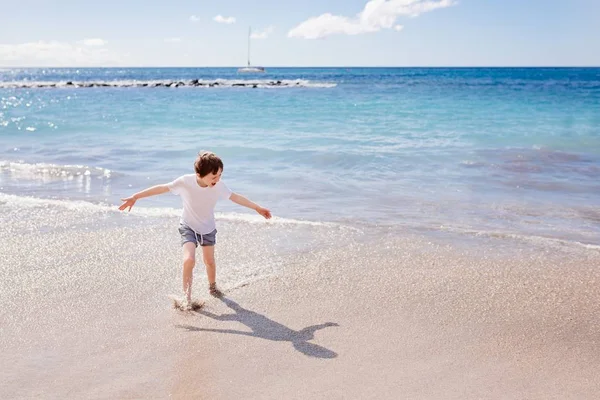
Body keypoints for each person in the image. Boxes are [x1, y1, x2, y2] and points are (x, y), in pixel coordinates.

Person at [119, 151, 272, 309]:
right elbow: (162, 188)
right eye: (214, 176)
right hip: (188, 226)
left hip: (207, 228)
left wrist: (257, 208)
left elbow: (236, 197)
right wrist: (135, 196)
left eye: (220, 175)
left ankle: (212, 287)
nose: (217, 179)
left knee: (209, 262)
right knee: (189, 260)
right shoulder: (185, 182)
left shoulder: (219, 186)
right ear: (199, 174)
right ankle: (187, 299)